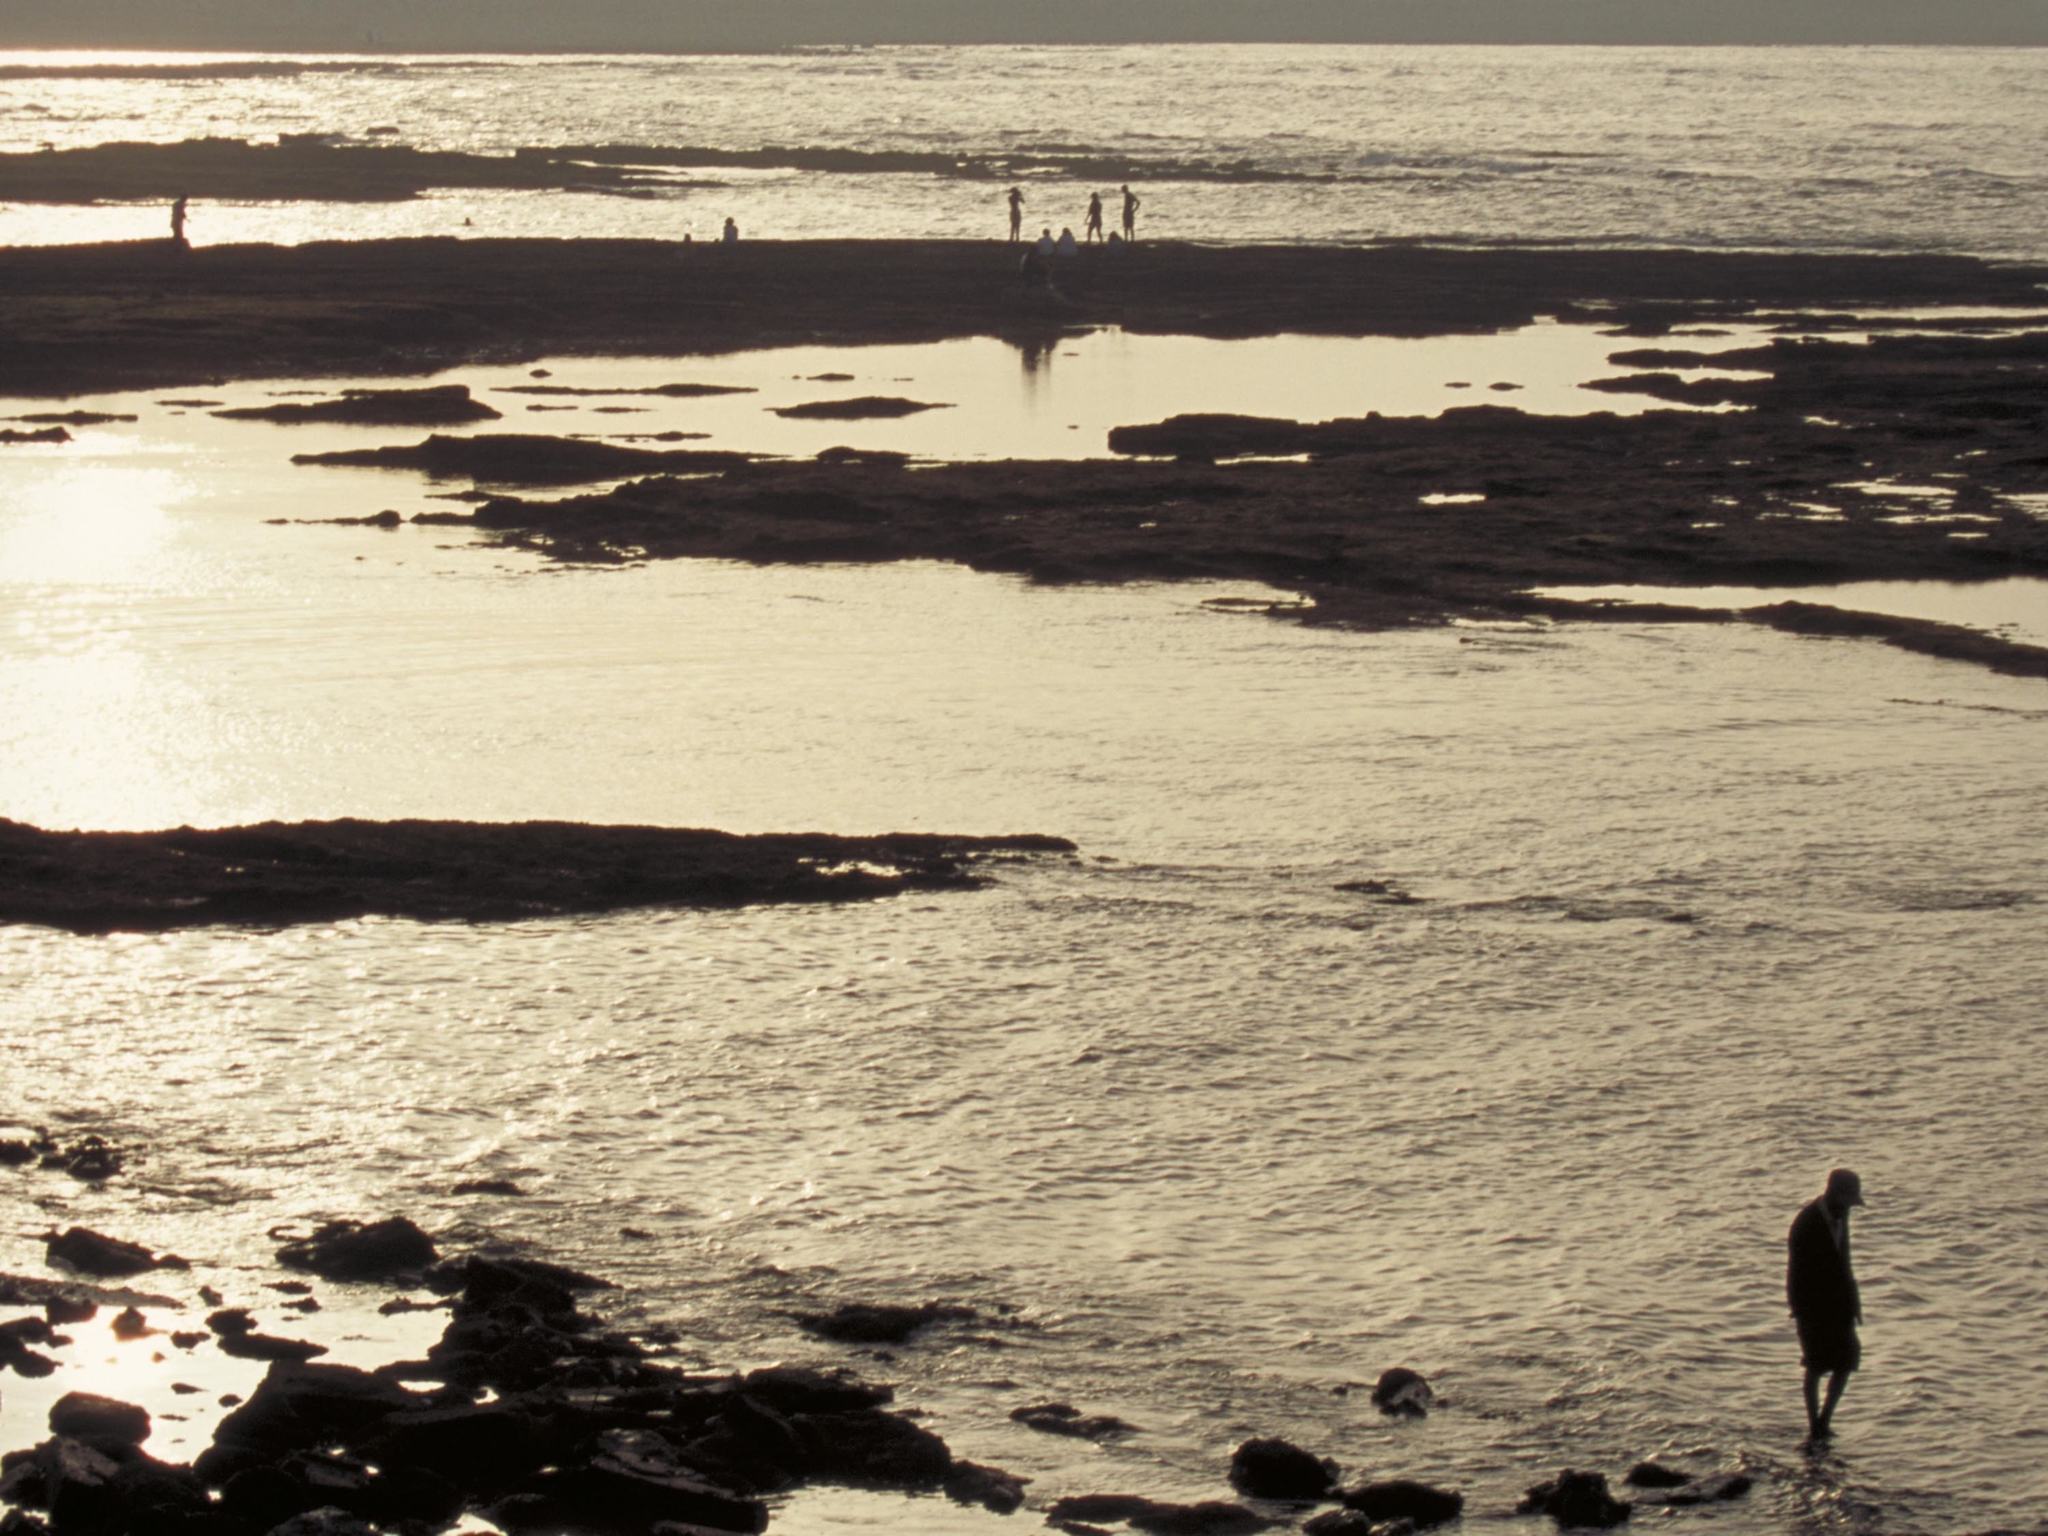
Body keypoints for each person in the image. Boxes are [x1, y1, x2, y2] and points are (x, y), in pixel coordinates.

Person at [1787, 1168, 1865, 1440]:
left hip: (1840, 1306)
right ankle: (1814, 1425)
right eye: (1849, 1200)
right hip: (1812, 1308)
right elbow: (1796, 1274)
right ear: (1835, 1195)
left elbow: (1846, 1263)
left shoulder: (1841, 1217)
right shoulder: (1806, 1224)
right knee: (1816, 1366)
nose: (1851, 1208)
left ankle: (1824, 1421)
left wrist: (1855, 1304)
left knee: (1847, 1362)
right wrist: (1800, 1311)